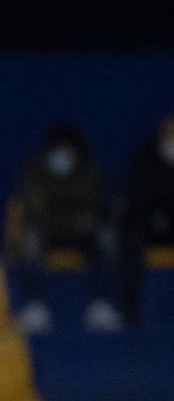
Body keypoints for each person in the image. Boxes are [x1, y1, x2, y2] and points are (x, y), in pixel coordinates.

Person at [12, 123, 123, 333]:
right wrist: (67, 219)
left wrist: (81, 220)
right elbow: (34, 210)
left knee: (106, 240)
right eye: (57, 151)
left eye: (66, 151)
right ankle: (36, 307)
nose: (61, 156)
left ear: (76, 152)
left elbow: (96, 206)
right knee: (31, 239)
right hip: (48, 230)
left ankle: (100, 305)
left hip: (82, 232)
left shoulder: (89, 170)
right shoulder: (36, 171)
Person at [120, 114, 174, 324]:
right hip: (149, 224)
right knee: (131, 239)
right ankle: (130, 312)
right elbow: (139, 199)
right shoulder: (144, 159)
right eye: (170, 136)